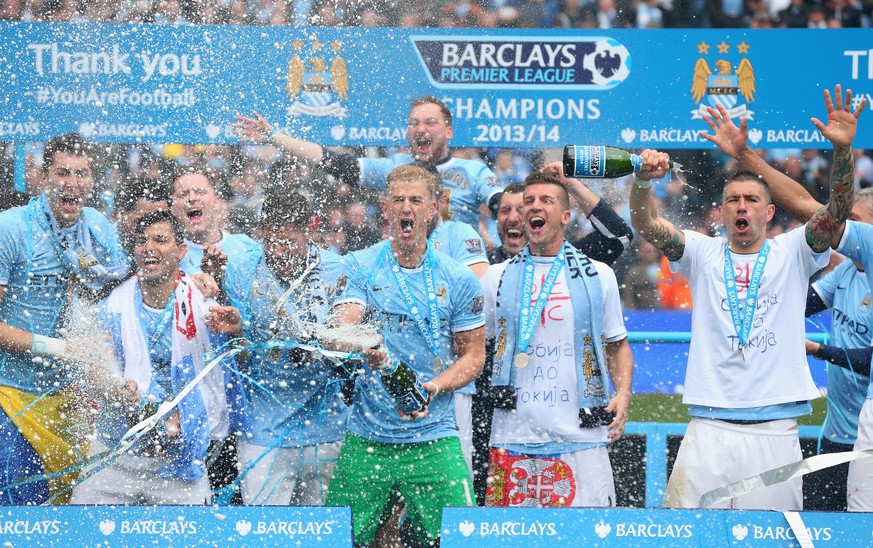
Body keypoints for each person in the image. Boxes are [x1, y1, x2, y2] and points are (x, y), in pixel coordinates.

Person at [629, 85, 859, 510]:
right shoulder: (702, 252)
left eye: (752, 199)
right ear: (720, 211)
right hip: (708, 426)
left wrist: (842, 154)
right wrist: (643, 181)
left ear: (768, 212)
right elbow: (646, 223)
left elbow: (835, 214)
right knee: (686, 540)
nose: (741, 206)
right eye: (732, 199)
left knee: (771, 538)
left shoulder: (794, 250)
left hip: (775, 429)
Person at [700, 92, 870, 511]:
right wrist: (747, 158)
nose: (851, 229)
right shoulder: (850, 266)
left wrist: (815, 348)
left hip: (860, 416)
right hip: (849, 422)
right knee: (847, 524)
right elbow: (815, 209)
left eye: (859, 222)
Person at [326, 164, 485, 546]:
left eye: (416, 200)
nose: (406, 209)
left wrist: (433, 387)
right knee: (335, 540)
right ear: (384, 206)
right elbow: (344, 322)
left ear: (434, 208)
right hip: (369, 439)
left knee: (463, 540)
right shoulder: (360, 264)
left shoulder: (457, 277)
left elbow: (474, 357)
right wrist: (359, 342)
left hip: (434, 437)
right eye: (398, 200)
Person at [69, 210, 245, 505]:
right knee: (80, 533)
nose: (148, 247)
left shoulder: (206, 306)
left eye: (160, 240)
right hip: (116, 452)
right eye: (141, 241)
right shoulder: (113, 306)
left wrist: (237, 329)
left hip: (181, 462)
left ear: (181, 251)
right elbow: (94, 368)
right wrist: (114, 391)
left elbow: (230, 369)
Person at [479, 171, 633, 508]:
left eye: (546, 200)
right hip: (512, 437)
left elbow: (617, 345)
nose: (534, 207)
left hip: (582, 437)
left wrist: (622, 393)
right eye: (529, 201)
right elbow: (477, 349)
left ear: (565, 216)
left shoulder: (598, 274)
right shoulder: (495, 277)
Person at [0, 133, 128, 505]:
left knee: (63, 512)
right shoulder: (11, 228)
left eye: (82, 173)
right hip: (10, 396)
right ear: (43, 179)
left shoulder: (98, 227)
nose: (73, 183)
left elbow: (130, 286)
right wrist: (61, 348)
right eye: (63, 173)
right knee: (21, 512)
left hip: (68, 400)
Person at [223, 191, 349, 505]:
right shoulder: (241, 270)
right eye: (271, 242)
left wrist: (327, 343)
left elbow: (351, 347)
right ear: (262, 232)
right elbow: (237, 354)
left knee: (324, 534)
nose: (278, 252)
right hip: (263, 428)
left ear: (312, 228)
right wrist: (239, 330)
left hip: (327, 425)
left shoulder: (337, 268)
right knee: (266, 534)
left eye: (288, 243)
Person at [234, 96, 502, 234]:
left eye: (430, 123)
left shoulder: (474, 171)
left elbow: (506, 207)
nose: (421, 129)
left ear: (449, 132)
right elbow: (332, 161)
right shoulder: (396, 167)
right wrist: (275, 138)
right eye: (414, 124)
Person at [487, 169, 633, 265]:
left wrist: (572, 185)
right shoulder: (484, 264)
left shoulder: (572, 259)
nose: (512, 218)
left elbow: (620, 236)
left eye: (520, 209)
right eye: (505, 210)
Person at [170, 164, 257, 277]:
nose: (191, 198)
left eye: (200, 192)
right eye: (183, 194)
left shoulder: (246, 246)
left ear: (217, 203)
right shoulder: (169, 255)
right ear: (173, 209)